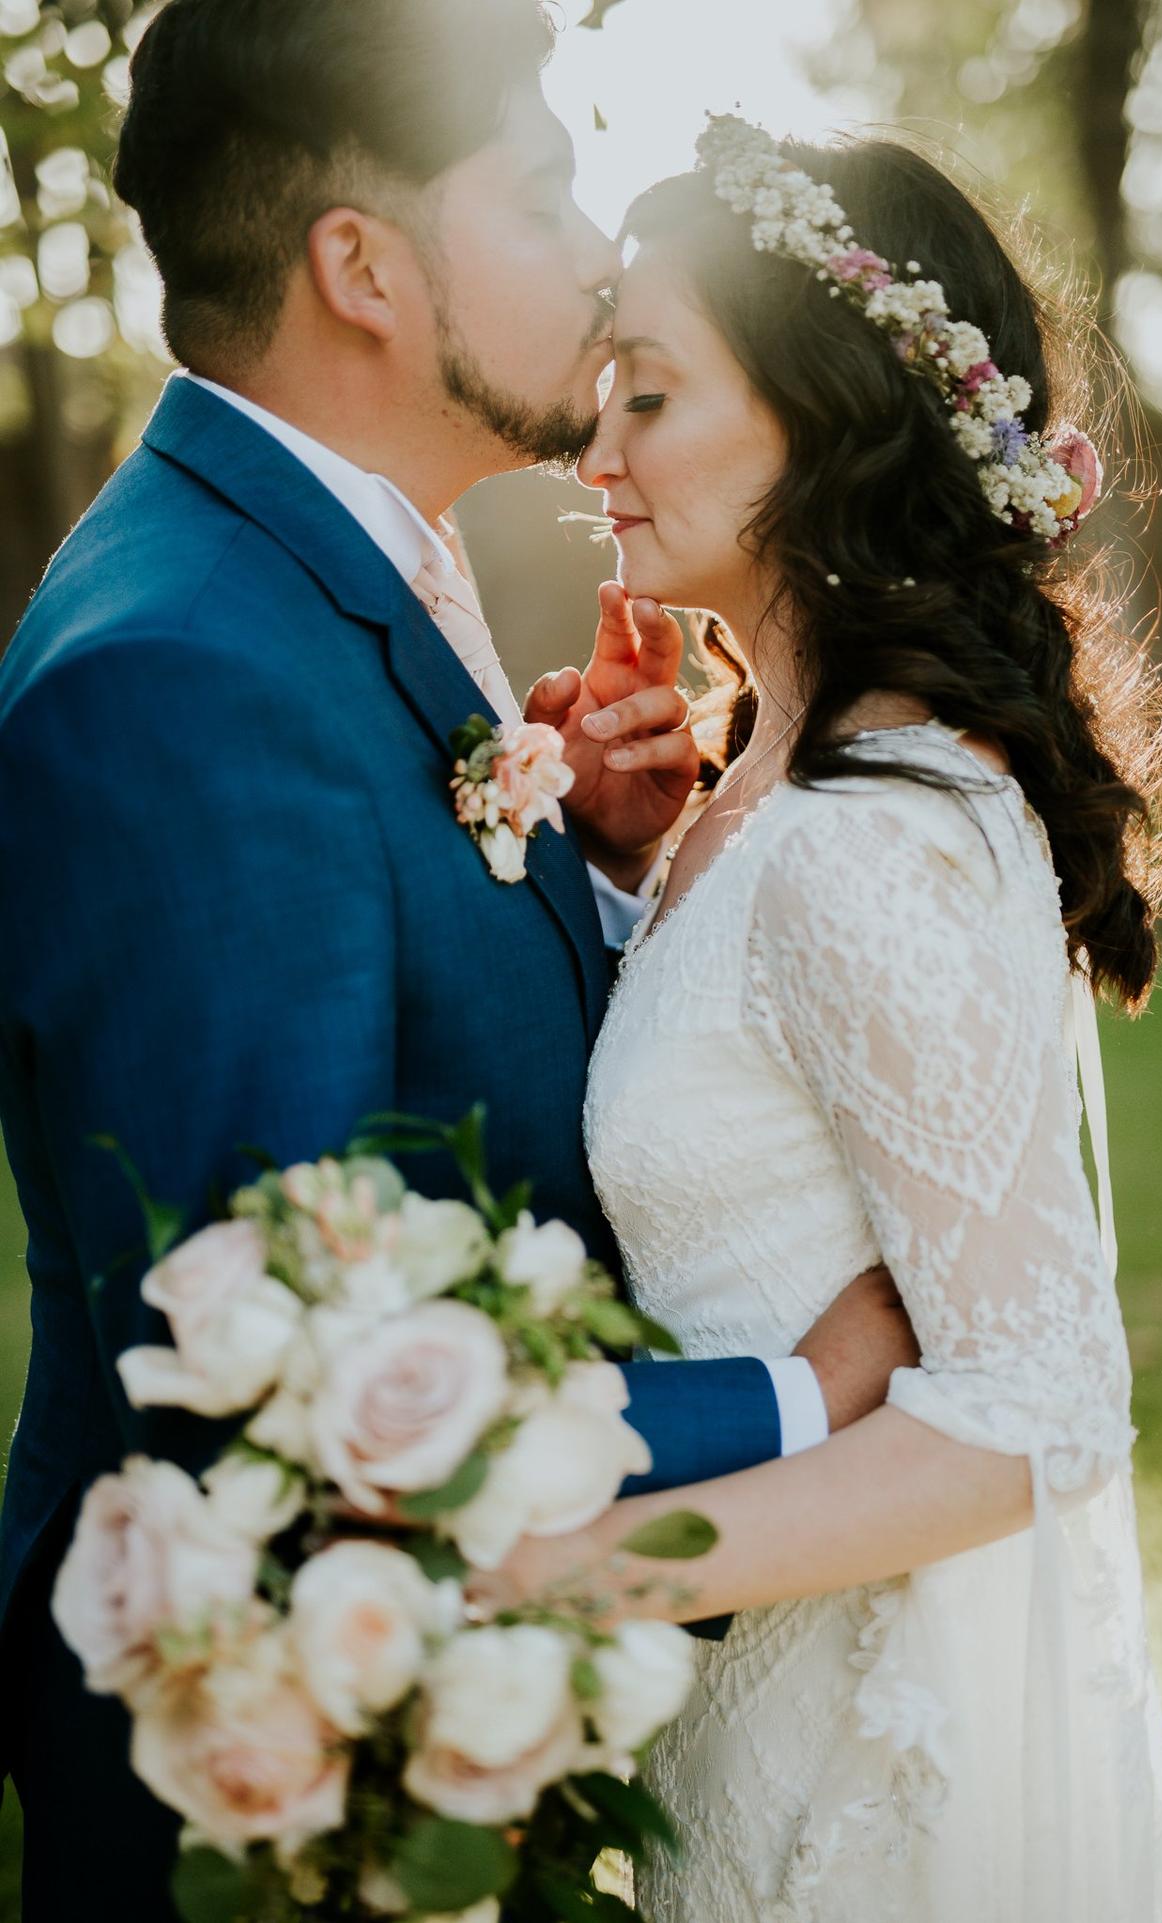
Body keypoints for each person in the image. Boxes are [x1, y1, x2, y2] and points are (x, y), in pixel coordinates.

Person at [0, 13, 912, 1917]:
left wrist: (568, 865)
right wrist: (806, 1400)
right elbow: (304, 1370)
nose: (597, 253)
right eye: (545, 185)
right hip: (294, 1812)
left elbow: (381, 1038)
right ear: (365, 268)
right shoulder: (183, 678)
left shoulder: (313, 572)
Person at [492, 121, 1162, 1922]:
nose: (595, 451)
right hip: (747, 1701)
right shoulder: (765, 796)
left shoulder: (862, 842)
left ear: (822, 416)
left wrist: (586, 1571)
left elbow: (1043, 1405)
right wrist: (616, 868)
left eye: (647, 395)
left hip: (859, 1763)